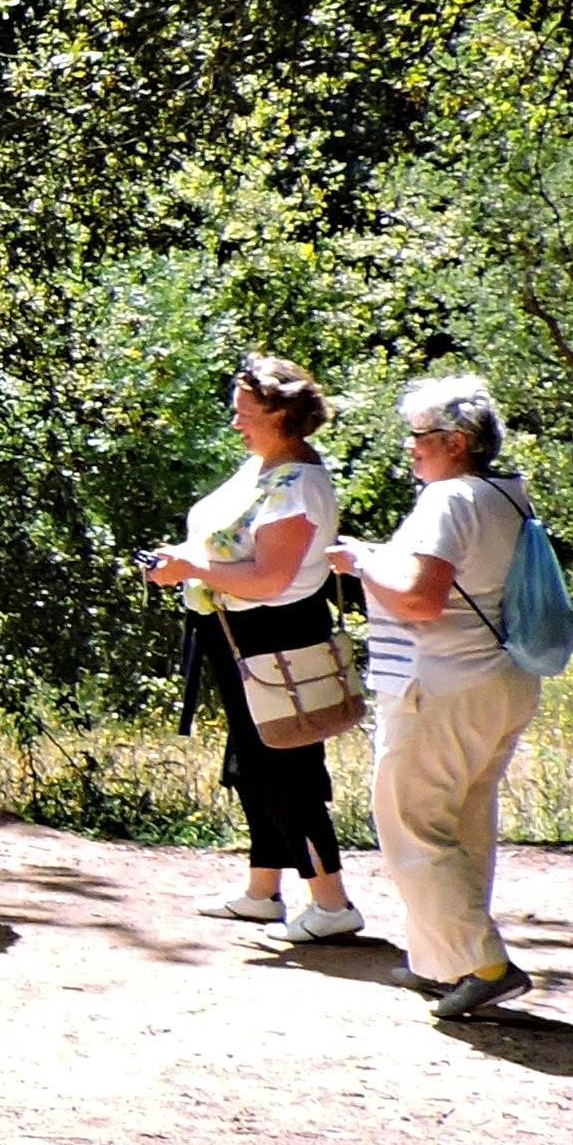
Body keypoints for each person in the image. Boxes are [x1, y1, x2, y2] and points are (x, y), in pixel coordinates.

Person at [330, 374, 544, 1022]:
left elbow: (422, 601)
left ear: (456, 441)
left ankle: (485, 966)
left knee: (411, 824)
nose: (410, 446)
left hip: (441, 687)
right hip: (500, 681)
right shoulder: (505, 494)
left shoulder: (448, 498)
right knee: (463, 824)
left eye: (420, 435)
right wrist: (376, 556)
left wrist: (361, 563)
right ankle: (443, 964)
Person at [139, 354, 367, 945]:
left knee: (281, 767)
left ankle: (332, 903)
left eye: (245, 411)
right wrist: (183, 561)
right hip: (238, 631)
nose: (236, 420)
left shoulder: (297, 485)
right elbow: (232, 549)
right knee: (253, 763)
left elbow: (269, 579)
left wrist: (191, 568)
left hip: (275, 634)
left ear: (280, 415)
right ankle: (263, 892)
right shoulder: (266, 466)